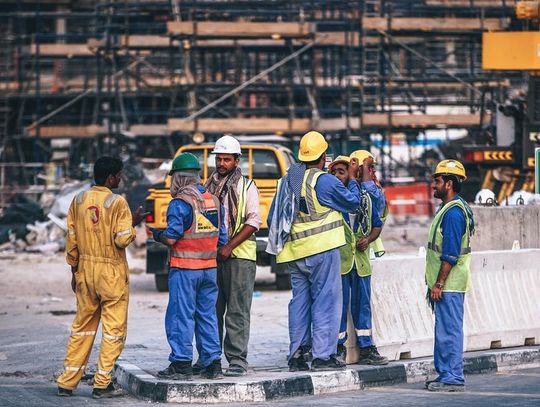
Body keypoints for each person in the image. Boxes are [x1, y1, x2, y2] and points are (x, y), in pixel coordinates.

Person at [267, 131, 361, 372]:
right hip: (323, 250)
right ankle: (322, 356)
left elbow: (273, 217)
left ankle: (297, 354)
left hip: (295, 253)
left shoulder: (290, 179)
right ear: (323, 157)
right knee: (326, 302)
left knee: (300, 303)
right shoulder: (325, 181)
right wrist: (351, 178)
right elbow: (352, 202)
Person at [57, 156, 147, 399]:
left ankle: (67, 381)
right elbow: (121, 239)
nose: (120, 179)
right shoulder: (117, 202)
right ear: (110, 178)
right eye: (118, 175)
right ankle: (101, 384)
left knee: (82, 328)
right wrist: (134, 221)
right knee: (113, 330)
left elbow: (72, 240)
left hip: (85, 270)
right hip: (111, 273)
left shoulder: (78, 200)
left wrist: (74, 272)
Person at [152, 152, 227, 381]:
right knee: (207, 315)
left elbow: (172, 238)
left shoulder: (180, 203)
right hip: (209, 269)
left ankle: (181, 363)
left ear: (179, 178)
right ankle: (212, 363)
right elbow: (221, 238)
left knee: (180, 316)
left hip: (185, 268)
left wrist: (157, 235)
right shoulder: (213, 200)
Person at [205, 135, 261, 377]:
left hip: (239, 257)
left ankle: (237, 360)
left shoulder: (247, 187)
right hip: (212, 256)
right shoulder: (206, 188)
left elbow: (253, 222)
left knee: (237, 310)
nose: (221, 164)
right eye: (219, 159)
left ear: (237, 161)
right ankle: (211, 358)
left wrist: (228, 247)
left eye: (227, 159)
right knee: (212, 310)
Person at [328, 156, 388, 366]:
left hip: (361, 264)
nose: (337, 176)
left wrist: (369, 239)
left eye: (342, 172)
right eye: (334, 173)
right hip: (340, 263)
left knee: (362, 306)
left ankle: (367, 348)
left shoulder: (365, 200)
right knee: (339, 307)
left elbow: (377, 225)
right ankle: (337, 348)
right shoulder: (331, 201)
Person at [425, 159, 474, 392]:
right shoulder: (450, 209)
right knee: (444, 330)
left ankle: (453, 377)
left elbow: (451, 253)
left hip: (449, 283)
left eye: (438, 180)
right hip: (448, 283)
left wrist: (439, 283)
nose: (433, 184)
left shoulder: (453, 213)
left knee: (450, 331)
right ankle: (446, 374)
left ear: (449, 183)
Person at [350, 150, 388, 257]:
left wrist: (365, 167)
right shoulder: (351, 191)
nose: (373, 171)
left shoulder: (376, 192)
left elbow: (371, 193)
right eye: (370, 167)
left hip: (369, 245)